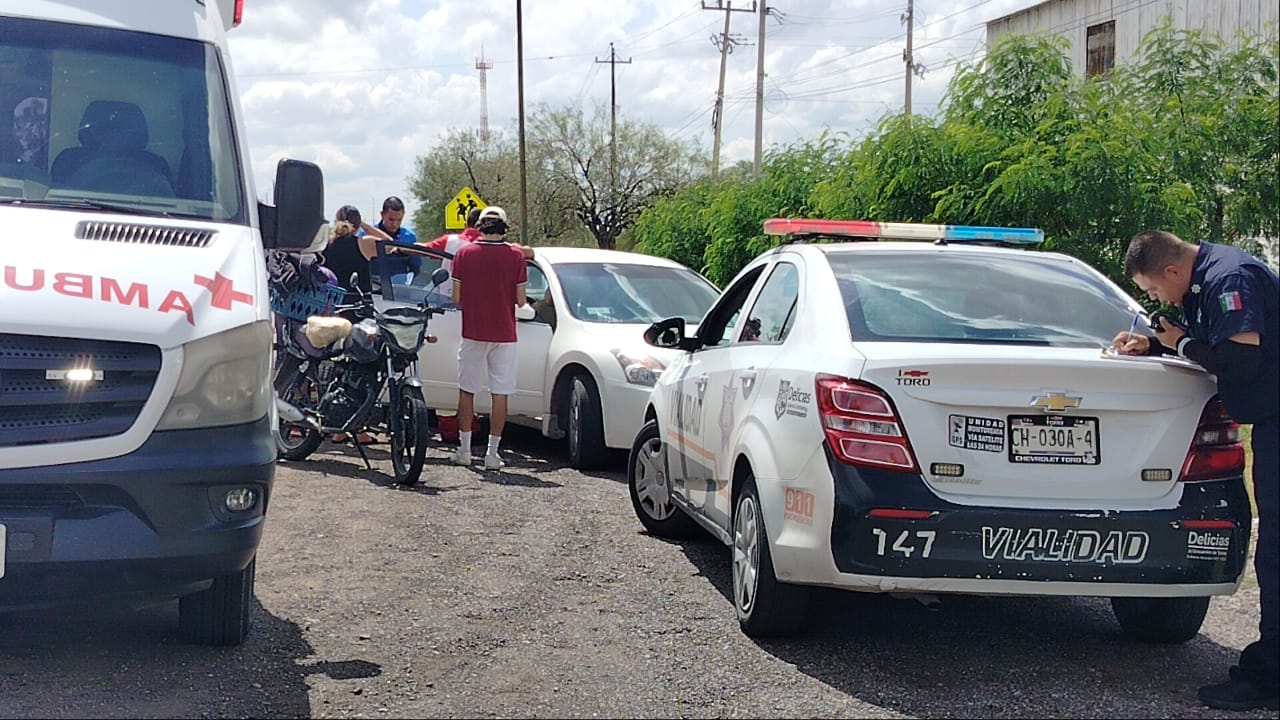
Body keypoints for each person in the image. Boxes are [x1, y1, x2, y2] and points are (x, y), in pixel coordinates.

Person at [1113, 230, 1278, 712]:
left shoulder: (1230, 278)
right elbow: (1215, 346)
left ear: (1171, 271)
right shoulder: (1209, 279)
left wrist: (1180, 341)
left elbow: (1240, 362)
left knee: (1276, 554)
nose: (1157, 298)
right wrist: (1156, 345)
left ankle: (1270, 676)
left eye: (1154, 290)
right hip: (1271, 423)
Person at [448, 206, 528, 471]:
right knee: (501, 392)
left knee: (467, 389)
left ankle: (465, 449)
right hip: (505, 333)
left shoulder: (464, 253)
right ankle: (493, 453)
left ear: (480, 226)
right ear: (504, 227)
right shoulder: (516, 256)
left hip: (473, 330)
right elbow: (520, 300)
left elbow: (456, 298)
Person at [423, 207, 535, 303]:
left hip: (446, 305)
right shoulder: (507, 250)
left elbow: (424, 249)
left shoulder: (449, 242)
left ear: (466, 224)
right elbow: (529, 252)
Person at [322, 205, 391, 297]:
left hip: (332, 300)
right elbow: (390, 245)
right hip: (358, 302)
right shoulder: (364, 243)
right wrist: (365, 226)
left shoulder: (325, 243)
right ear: (358, 224)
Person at [366, 196, 420, 286]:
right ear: (382, 214)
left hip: (399, 292)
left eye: (399, 220)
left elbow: (415, 269)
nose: (395, 224)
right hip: (373, 289)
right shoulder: (367, 235)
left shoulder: (409, 237)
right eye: (391, 219)